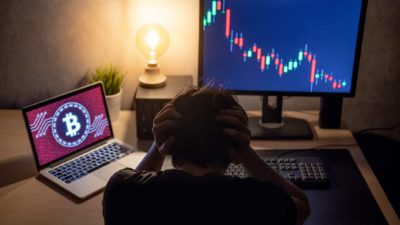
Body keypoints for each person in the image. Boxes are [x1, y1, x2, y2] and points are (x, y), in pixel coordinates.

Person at [103, 87, 310, 225]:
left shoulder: (121, 193)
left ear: (169, 140)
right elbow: (302, 205)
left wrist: (158, 146)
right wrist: (247, 154)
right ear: (233, 148)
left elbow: (134, 183)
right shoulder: (260, 203)